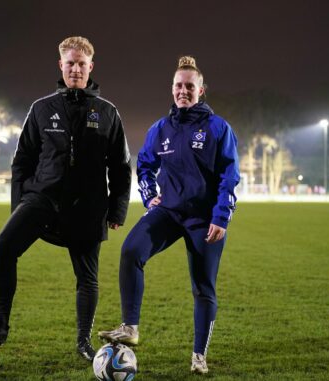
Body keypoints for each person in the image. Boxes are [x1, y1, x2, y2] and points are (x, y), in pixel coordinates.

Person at [0, 36, 132, 362]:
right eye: (71, 63)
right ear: (61, 66)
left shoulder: (107, 113)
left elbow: (122, 167)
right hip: (43, 198)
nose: (76, 69)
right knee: (3, 246)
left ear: (91, 67)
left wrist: (117, 208)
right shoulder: (41, 109)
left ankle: (83, 343)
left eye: (82, 64)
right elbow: (22, 161)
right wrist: (19, 207)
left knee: (87, 279)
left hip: (87, 205)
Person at [98, 56, 239, 374]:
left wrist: (221, 216)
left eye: (190, 86)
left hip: (204, 220)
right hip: (169, 212)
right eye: (178, 85)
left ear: (202, 89)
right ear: (172, 89)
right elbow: (144, 165)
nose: (183, 91)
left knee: (203, 287)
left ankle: (198, 355)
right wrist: (149, 197)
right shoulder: (159, 129)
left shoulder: (219, 128)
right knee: (131, 250)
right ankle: (130, 326)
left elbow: (229, 175)